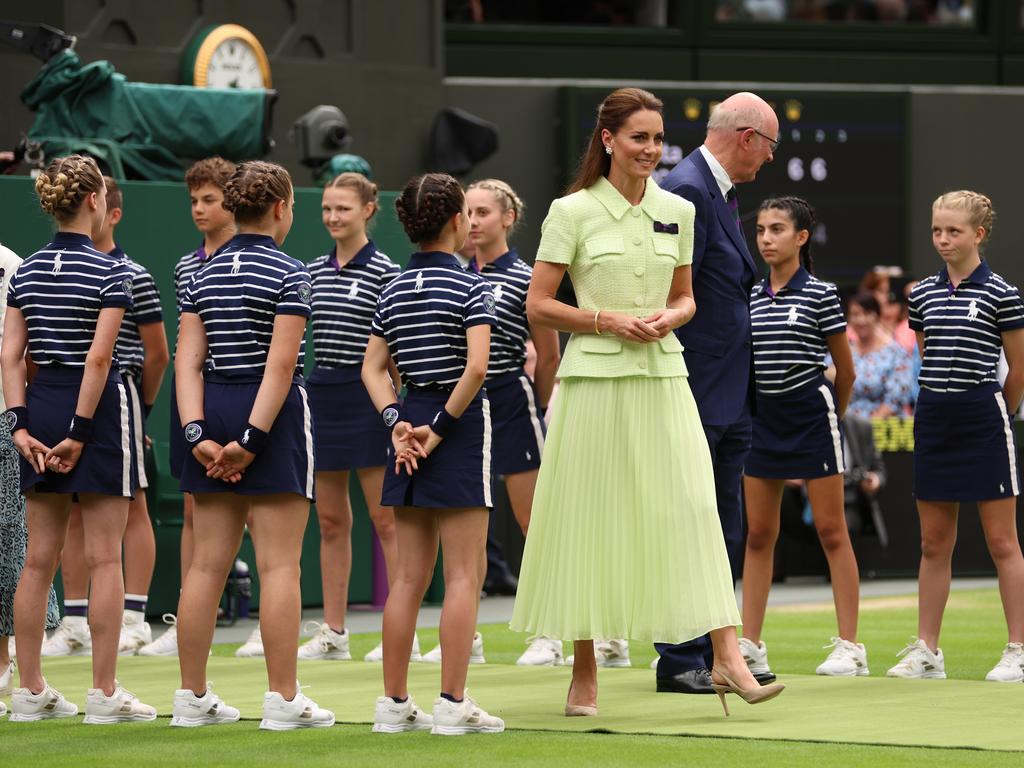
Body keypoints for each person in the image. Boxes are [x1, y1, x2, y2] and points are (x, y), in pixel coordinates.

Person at [509, 87, 783, 717]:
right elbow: (538, 305)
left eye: (658, 139)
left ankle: (728, 656)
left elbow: (687, 297)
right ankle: (583, 673)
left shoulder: (675, 210)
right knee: (586, 518)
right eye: (639, 138)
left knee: (693, 509)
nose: (651, 150)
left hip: (664, 377)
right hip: (592, 385)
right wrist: (606, 321)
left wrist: (671, 316)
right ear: (608, 140)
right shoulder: (570, 211)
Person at [171, 160, 334, 729]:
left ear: (235, 209)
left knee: (205, 567)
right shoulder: (292, 271)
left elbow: (186, 363)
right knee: (279, 566)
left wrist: (197, 435)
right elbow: (282, 364)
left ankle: (192, 698)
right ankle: (283, 700)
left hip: (211, 409)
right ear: (282, 209)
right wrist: (250, 440)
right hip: (270, 418)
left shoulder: (199, 274)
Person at [3, 155, 156, 723]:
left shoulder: (27, 271)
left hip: (40, 409)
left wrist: (19, 423)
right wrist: (80, 431)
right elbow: (98, 358)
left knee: (38, 558)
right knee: (103, 558)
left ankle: (29, 690)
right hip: (98, 414)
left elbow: (10, 355)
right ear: (95, 202)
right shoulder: (112, 271)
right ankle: (104, 691)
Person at [362, 172, 504, 735]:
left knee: (407, 579)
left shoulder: (391, 288)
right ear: (456, 222)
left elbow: (372, 368)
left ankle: (393, 705)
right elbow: (476, 368)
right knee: (464, 573)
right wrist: (437, 431)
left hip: (409, 428)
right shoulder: (473, 287)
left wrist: (399, 426)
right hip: (457, 429)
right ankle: (452, 703)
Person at [654, 91, 779, 694]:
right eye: (771, 146)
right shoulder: (687, 190)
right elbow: (674, 295)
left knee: (722, 525)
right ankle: (681, 657)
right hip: (698, 391)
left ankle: (716, 651)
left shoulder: (717, 193)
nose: (771, 161)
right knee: (691, 523)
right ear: (749, 137)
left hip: (727, 393)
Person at [888, 190, 1024, 683]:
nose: (943, 240)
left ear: (978, 235)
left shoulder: (1001, 293)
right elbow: (928, 355)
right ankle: (927, 652)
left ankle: (1018, 649)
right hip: (934, 418)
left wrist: (998, 415)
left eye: (954, 231)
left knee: (1001, 541)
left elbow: (1019, 369)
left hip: (983, 417)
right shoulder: (921, 294)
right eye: (937, 231)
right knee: (933, 542)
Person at [739, 196, 866, 678]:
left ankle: (851, 646)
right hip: (761, 421)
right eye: (762, 230)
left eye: (777, 230)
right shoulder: (748, 294)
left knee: (832, 532)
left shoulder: (821, 294)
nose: (767, 238)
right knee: (758, 535)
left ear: (801, 237)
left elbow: (846, 371)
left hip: (813, 418)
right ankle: (750, 643)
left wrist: (834, 414)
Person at [43, 178, 169, 658]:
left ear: (110, 212)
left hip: (121, 399)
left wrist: (144, 411)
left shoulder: (132, 273)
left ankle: (134, 619)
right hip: (67, 399)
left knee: (132, 503)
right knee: (72, 506)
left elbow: (157, 354)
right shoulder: (52, 268)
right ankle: (74, 620)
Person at [301, 172, 405, 663]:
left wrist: (395, 408)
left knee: (386, 520)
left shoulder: (387, 271)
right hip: (323, 394)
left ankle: (400, 631)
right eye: (327, 209)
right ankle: (335, 634)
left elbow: (395, 352)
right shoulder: (311, 272)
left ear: (367, 210)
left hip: (369, 396)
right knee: (329, 520)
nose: (333, 217)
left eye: (343, 208)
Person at [461, 179, 562, 668]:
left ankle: (553, 632)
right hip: (462, 406)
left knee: (534, 522)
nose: (473, 221)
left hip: (511, 400)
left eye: (483, 212)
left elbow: (548, 355)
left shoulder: (525, 278)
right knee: (467, 527)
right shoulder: (456, 275)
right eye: (467, 212)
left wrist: (545, 413)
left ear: (507, 217)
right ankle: (466, 636)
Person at [138, 156, 236, 657]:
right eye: (193, 200)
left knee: (259, 515)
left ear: (232, 202)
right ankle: (187, 620)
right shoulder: (185, 265)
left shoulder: (255, 257)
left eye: (209, 200)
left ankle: (263, 623)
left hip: (241, 403)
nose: (199, 209)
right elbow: (185, 350)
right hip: (192, 403)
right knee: (195, 511)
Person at [0, 241, 60, 713]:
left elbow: (18, 355)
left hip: (7, 423)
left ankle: (15, 673)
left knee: (16, 547)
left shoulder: (12, 264)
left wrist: (17, 419)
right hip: (14, 422)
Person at [844, 291, 914, 420]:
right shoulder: (842, 353)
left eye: (867, 313)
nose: (861, 320)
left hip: (881, 429)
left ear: (877, 316)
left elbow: (895, 399)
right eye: (855, 314)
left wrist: (866, 430)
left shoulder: (895, 353)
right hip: (846, 429)